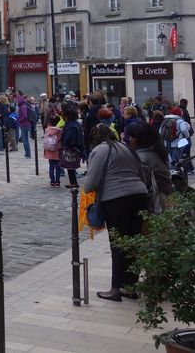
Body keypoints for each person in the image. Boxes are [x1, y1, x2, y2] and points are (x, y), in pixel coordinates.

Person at [83, 125, 152, 301]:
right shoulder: (125, 147)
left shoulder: (99, 150)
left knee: (118, 244)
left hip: (116, 200)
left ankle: (115, 289)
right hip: (140, 195)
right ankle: (130, 287)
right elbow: (142, 174)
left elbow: (89, 184)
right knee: (134, 242)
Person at [125, 122, 173, 212]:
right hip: (166, 197)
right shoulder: (156, 150)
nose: (129, 139)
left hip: (157, 204)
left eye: (132, 136)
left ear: (140, 138)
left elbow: (143, 186)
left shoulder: (142, 158)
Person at [60, 103, 85, 188]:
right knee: (70, 167)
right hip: (74, 147)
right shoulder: (74, 123)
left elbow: (68, 138)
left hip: (72, 148)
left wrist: (63, 142)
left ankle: (74, 183)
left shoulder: (71, 125)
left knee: (70, 166)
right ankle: (73, 182)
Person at [43, 111, 64, 188]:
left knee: (51, 166)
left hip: (49, 150)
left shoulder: (47, 130)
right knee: (58, 167)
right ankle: (57, 181)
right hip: (57, 150)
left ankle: (52, 181)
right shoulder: (60, 131)